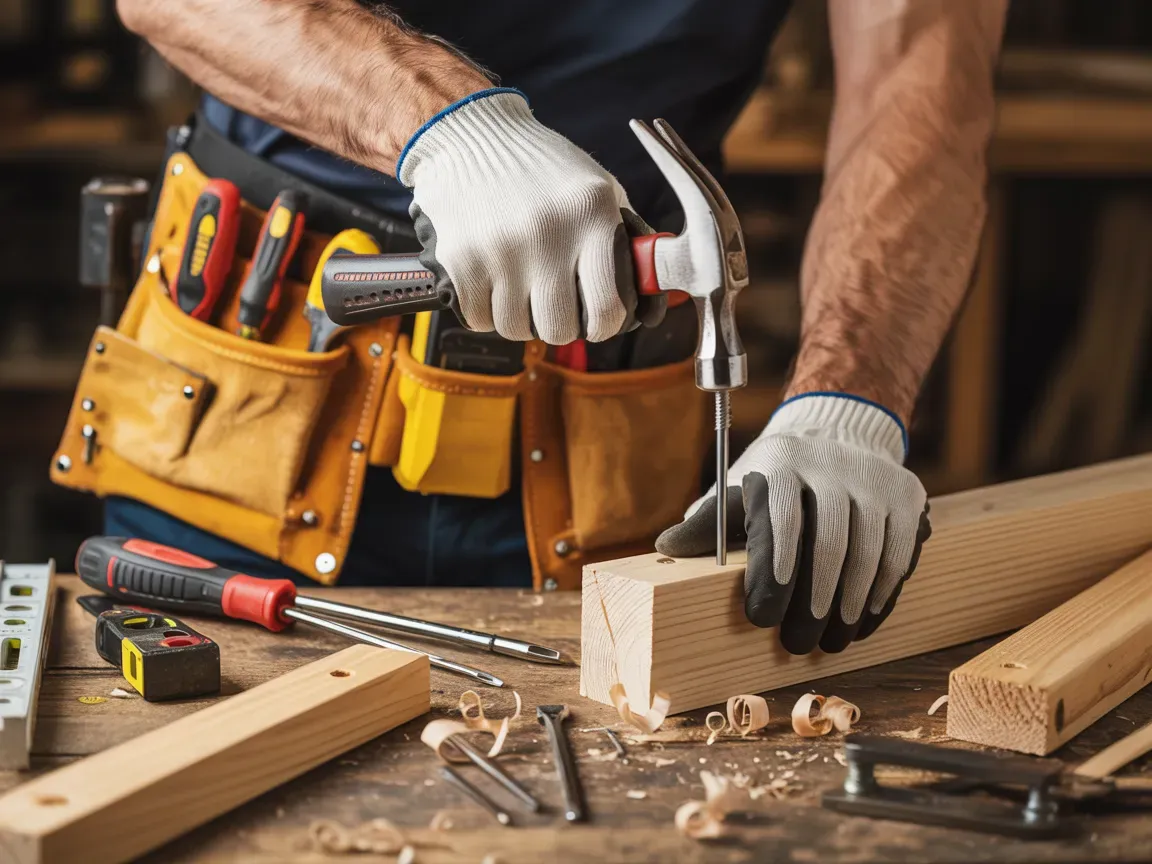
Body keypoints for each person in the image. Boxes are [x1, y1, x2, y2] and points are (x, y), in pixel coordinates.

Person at [110, 0, 1007, 653]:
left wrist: (848, 401)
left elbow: (920, 73)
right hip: (251, 412)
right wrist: (450, 127)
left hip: (598, 447)